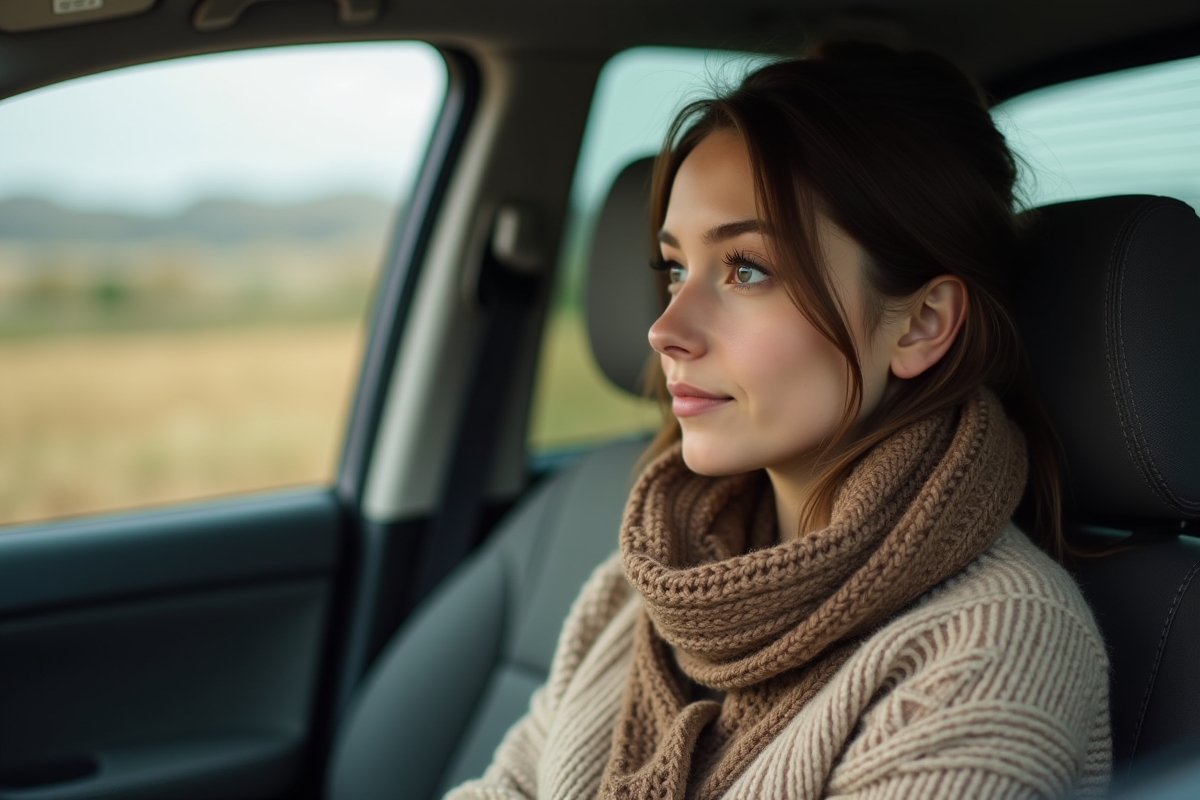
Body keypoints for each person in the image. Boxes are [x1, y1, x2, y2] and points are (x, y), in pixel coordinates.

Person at [446, 41, 1111, 800]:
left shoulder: (994, 649)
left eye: (748, 270)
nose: (666, 328)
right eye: (673, 269)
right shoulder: (649, 580)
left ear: (922, 324)